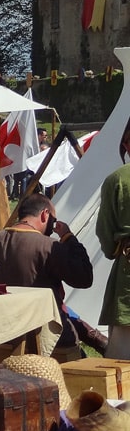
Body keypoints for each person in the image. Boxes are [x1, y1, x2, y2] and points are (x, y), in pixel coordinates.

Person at [0, 192, 94, 359]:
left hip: (1, 330)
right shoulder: (49, 246)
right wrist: (68, 237)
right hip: (42, 335)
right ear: (45, 214)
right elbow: (84, 278)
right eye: (53, 220)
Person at [96, 122, 130, 358]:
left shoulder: (116, 180)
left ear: (127, 144)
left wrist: (114, 249)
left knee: (123, 360)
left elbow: (106, 234)